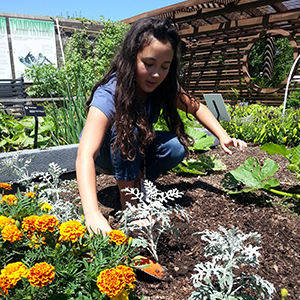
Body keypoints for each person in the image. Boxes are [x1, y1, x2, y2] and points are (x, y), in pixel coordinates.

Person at [76, 17, 247, 236]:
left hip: (134, 145)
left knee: (176, 147)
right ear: (131, 58)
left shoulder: (163, 86)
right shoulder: (110, 93)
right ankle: (131, 204)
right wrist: (91, 213)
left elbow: (197, 108)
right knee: (128, 126)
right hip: (105, 153)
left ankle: (136, 178)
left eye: (164, 66)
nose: (156, 73)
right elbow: (85, 154)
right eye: (148, 64)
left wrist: (223, 136)